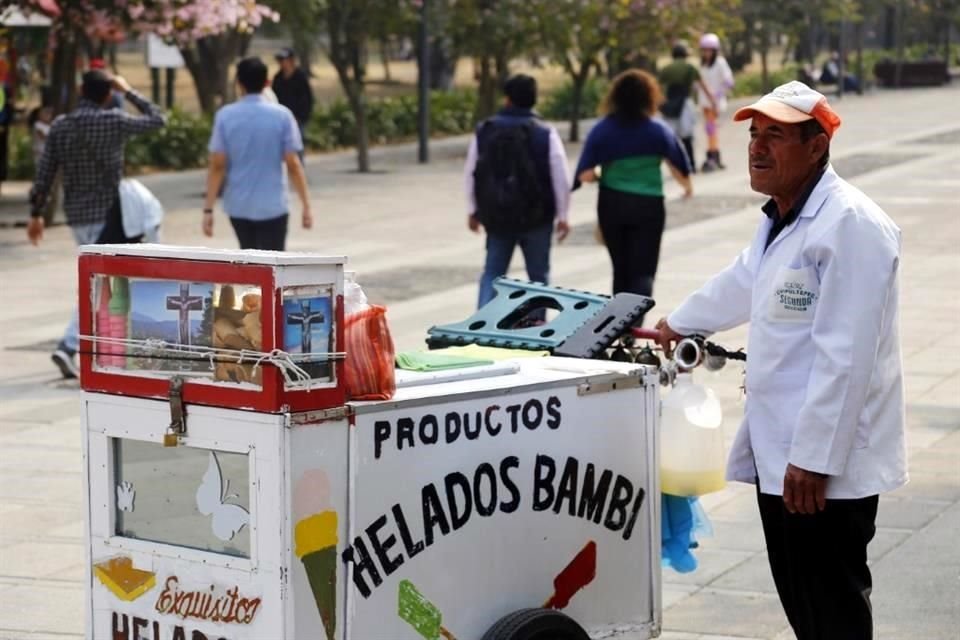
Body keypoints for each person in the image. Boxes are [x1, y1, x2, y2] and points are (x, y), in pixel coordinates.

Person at [654, 81, 906, 639]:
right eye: (753, 134)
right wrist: (678, 322)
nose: (757, 148)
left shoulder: (851, 227)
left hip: (821, 469)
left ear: (817, 147)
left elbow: (846, 354)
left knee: (831, 607)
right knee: (804, 604)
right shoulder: (781, 219)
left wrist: (814, 457)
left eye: (776, 136)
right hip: (784, 456)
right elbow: (743, 281)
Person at [27, 70, 166, 379]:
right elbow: (158, 119)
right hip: (111, 214)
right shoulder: (114, 120)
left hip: (77, 214)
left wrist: (36, 213)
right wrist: (128, 90)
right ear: (107, 94)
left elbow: (45, 173)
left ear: (80, 90)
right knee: (100, 283)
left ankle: (104, 346)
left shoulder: (61, 127)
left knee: (99, 282)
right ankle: (69, 345)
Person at [574, 69, 693, 313]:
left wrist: (604, 173)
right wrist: (687, 188)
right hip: (649, 206)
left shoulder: (602, 130)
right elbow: (680, 168)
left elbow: (585, 175)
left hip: (611, 203)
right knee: (644, 270)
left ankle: (619, 325)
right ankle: (633, 326)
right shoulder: (657, 130)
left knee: (621, 269)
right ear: (650, 96)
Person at [463, 74, 571, 310]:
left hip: (497, 216)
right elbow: (560, 176)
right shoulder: (545, 132)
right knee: (539, 277)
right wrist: (563, 215)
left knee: (493, 272)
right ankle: (538, 329)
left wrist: (473, 210)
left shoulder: (485, 130)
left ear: (508, 100)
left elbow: (472, 170)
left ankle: (480, 327)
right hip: (537, 217)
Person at [203, 57, 313, 251]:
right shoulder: (283, 116)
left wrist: (208, 209)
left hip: (239, 205)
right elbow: (293, 164)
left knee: (248, 260)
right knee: (274, 265)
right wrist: (306, 206)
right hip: (273, 204)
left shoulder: (225, 116)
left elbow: (217, 165)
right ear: (267, 83)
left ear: (239, 83)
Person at [659, 41, 716, 172]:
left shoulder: (666, 69)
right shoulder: (690, 68)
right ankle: (691, 164)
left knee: (671, 137)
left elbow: (658, 89)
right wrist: (712, 101)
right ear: (685, 54)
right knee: (687, 137)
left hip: (669, 105)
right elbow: (703, 86)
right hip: (685, 103)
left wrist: (660, 105)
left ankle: (676, 166)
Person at [697, 33, 734, 172]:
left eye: (709, 50)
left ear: (715, 50)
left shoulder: (720, 62)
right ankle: (715, 156)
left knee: (711, 129)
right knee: (709, 130)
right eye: (704, 50)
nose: (706, 53)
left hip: (714, 102)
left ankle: (712, 157)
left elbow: (729, 81)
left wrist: (717, 95)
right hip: (704, 103)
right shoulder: (703, 64)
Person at [272, 48, 314, 153]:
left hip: (297, 120)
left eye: (283, 59)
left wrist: (301, 117)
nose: (281, 63)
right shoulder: (277, 78)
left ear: (291, 60)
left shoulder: (300, 77)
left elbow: (307, 99)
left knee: (297, 149)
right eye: (279, 60)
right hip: (280, 120)